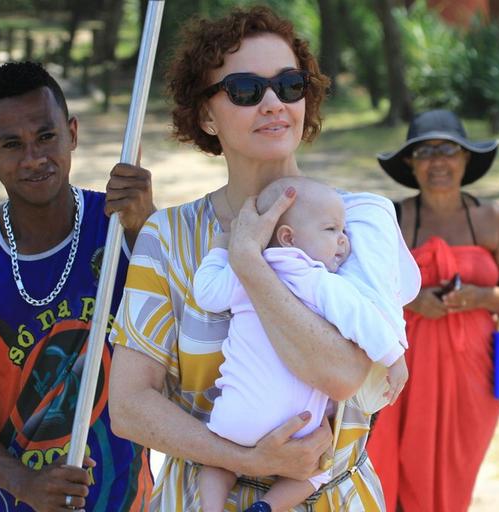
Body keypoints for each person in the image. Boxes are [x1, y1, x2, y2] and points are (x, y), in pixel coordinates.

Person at [106, 6, 419, 511]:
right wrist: (244, 460)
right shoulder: (169, 236)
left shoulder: (360, 221)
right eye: (246, 90)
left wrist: (250, 262)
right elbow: (129, 408)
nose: (273, 103)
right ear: (206, 115)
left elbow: (342, 374)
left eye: (289, 85)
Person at [0, 61, 155, 511]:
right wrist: (23, 481)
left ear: (71, 132)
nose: (34, 158)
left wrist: (145, 231)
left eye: (46, 136)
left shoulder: (123, 228)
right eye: (11, 144)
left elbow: (190, 355)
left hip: (128, 499)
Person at [194, 176, 409, 512]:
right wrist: (394, 357)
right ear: (289, 238)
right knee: (317, 472)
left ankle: (211, 507)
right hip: (299, 430)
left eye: (344, 231)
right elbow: (362, 318)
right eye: (332, 230)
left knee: (217, 463)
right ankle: (265, 507)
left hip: (234, 420)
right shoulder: (316, 279)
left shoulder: (244, 272)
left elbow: (206, 293)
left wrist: (224, 245)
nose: (343, 241)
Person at [367, 109, 499, 512]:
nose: (437, 161)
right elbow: (358, 292)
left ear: (465, 158)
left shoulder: (494, 220)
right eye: (425, 151)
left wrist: (482, 296)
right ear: (410, 162)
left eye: (449, 150)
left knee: (456, 477)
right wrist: (412, 299)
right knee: (390, 472)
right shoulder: (392, 219)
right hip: (400, 370)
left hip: (472, 372)